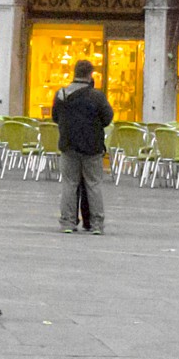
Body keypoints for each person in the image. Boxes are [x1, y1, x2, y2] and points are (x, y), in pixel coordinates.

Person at [51, 57, 112, 235]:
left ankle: (68, 223)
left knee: (69, 184)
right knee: (93, 184)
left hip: (68, 145)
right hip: (92, 147)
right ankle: (96, 224)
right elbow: (107, 118)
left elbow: (55, 117)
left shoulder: (61, 94)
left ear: (74, 73)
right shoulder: (97, 96)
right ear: (90, 75)